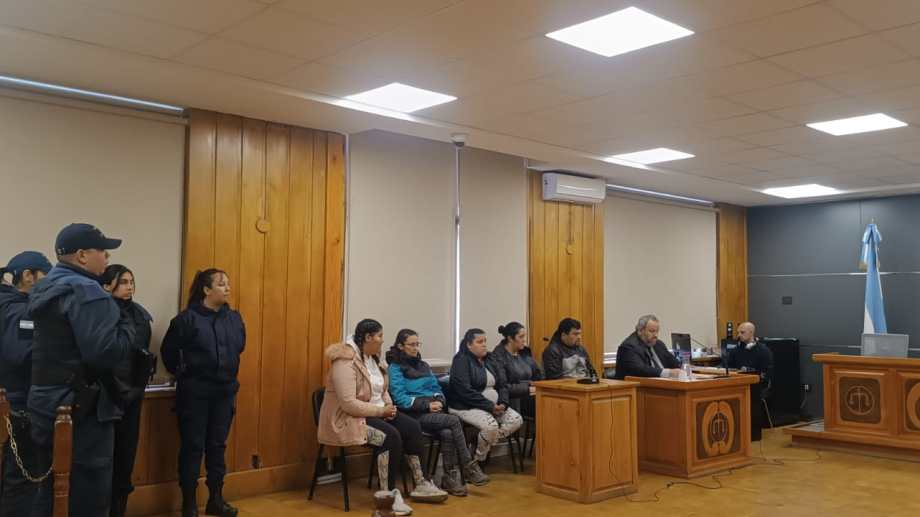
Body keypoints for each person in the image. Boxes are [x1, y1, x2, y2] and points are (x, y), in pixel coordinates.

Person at [27, 223, 137, 517]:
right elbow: (105, 352)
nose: (107, 257)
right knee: (88, 495)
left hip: (44, 402)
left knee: (48, 490)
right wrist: (127, 325)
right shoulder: (88, 291)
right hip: (83, 410)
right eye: (102, 250)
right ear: (82, 255)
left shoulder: (45, 287)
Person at [318, 319, 447, 517]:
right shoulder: (344, 362)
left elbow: (382, 390)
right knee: (390, 437)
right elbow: (348, 404)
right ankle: (387, 497)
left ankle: (421, 483)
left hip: (377, 412)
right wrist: (381, 412)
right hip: (349, 419)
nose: (382, 341)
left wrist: (389, 406)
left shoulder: (374, 359)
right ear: (368, 337)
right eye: (379, 336)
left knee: (412, 427)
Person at [161, 269, 245, 517]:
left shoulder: (234, 318)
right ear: (207, 290)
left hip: (225, 392)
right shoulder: (186, 320)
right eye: (221, 284)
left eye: (228, 283)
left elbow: (239, 346)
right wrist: (186, 373)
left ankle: (215, 499)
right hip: (195, 393)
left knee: (217, 446)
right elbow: (169, 353)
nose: (228, 288)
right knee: (192, 447)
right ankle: (189, 504)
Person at [386, 329, 489, 496]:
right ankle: (468, 466)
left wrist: (439, 400)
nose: (416, 348)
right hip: (412, 415)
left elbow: (436, 388)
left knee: (448, 432)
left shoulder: (423, 365)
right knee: (454, 420)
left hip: (432, 412)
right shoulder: (395, 368)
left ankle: (450, 478)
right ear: (400, 346)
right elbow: (399, 398)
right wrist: (427, 405)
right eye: (411, 344)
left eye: (417, 344)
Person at [101, 264, 155, 517]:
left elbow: (142, 357)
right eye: (123, 282)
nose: (129, 286)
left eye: (131, 281)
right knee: (102, 461)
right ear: (107, 285)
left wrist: (136, 389)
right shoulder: (100, 313)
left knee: (125, 459)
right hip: (104, 396)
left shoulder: (141, 317)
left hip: (132, 395)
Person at [0, 251, 51, 516]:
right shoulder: (21, 310)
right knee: (21, 481)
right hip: (20, 403)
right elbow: (22, 354)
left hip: (13, 401)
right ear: (28, 276)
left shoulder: (7, 304)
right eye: (45, 275)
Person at [448, 328, 522, 465]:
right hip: (466, 406)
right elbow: (464, 391)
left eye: (485, 341)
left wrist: (503, 403)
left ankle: (480, 441)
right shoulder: (461, 360)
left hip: (494, 406)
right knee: (491, 427)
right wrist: (490, 406)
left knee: (516, 420)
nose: (484, 345)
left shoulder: (490, 358)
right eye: (479, 342)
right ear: (469, 345)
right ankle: (477, 461)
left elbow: (502, 384)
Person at [491, 322, 543, 414]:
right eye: (521, 337)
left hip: (531, 393)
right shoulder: (498, 356)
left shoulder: (524, 353)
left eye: (524, 336)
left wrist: (538, 386)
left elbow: (538, 375)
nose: (524, 340)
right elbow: (503, 386)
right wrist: (528, 388)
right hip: (513, 398)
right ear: (510, 338)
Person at [613, 314, 681, 380]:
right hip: (637, 386)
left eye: (657, 331)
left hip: (661, 384)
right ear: (640, 331)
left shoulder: (659, 344)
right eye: (652, 331)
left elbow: (674, 363)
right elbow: (641, 370)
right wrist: (668, 373)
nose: (656, 335)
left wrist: (683, 367)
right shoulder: (628, 347)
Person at [726, 322, 774, 395]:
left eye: (742, 332)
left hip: (756, 386)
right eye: (738, 333)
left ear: (751, 333)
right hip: (738, 383)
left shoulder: (763, 351)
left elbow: (766, 374)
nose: (739, 335)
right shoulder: (736, 350)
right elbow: (728, 366)